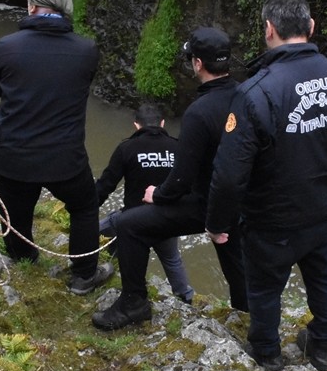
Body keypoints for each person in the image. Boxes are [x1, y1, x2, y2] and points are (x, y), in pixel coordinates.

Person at [205, 0, 327, 371]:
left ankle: (267, 352)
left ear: (268, 30)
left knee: (264, 286)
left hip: (273, 217)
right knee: (324, 275)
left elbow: (229, 174)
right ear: (310, 28)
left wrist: (216, 222)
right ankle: (325, 344)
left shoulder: (254, 93)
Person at [92, 27, 248, 330]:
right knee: (236, 263)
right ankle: (249, 317)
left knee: (128, 224)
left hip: (208, 203)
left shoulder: (199, 112)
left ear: (198, 64)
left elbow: (182, 179)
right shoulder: (250, 95)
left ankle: (134, 303)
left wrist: (158, 195)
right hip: (245, 200)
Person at [0, 0, 113, 294]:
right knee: (84, 206)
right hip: (64, 158)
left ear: (31, 6)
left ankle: (23, 258)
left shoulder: (5, 47)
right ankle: (84, 275)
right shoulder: (86, 50)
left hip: (13, 154)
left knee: (14, 211)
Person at [96, 103, 195, 304]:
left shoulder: (127, 148)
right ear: (163, 123)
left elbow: (106, 184)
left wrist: (86, 209)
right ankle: (185, 297)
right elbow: (190, 185)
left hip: (132, 219)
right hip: (166, 220)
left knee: (97, 230)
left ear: (136, 125)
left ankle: (92, 267)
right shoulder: (178, 148)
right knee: (171, 259)